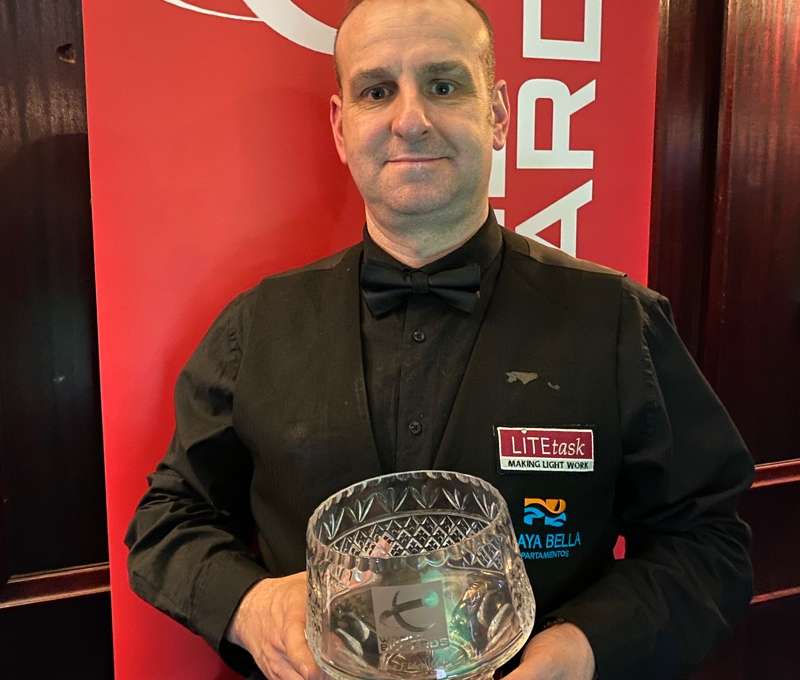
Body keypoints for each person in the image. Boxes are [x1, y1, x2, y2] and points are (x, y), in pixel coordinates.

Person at [125, 1, 754, 679]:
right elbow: (168, 520)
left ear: (499, 114)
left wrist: (584, 648)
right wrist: (250, 605)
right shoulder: (255, 326)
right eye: (376, 90)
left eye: (445, 85)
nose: (411, 118)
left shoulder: (621, 322)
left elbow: (709, 541)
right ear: (342, 126)